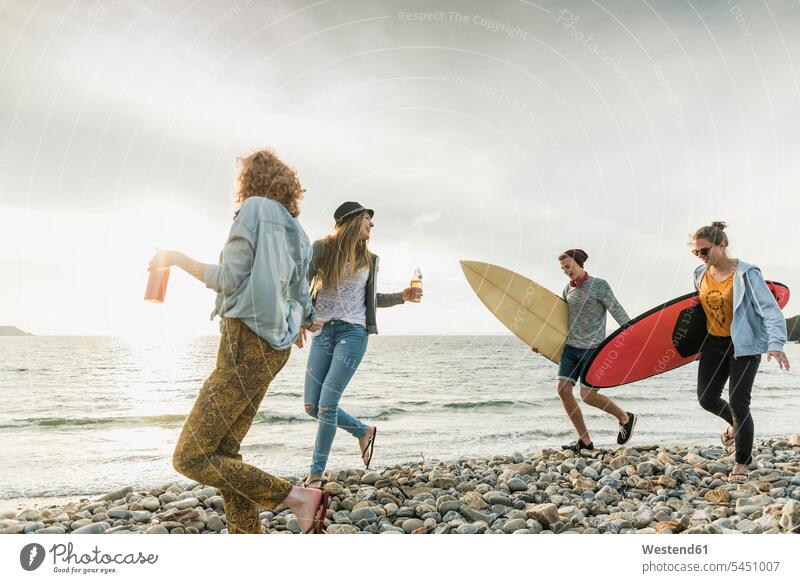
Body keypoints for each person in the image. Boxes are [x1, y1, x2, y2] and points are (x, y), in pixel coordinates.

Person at [150, 149, 328, 534]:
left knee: (191, 456)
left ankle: (297, 497)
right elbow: (301, 295)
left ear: (250, 181)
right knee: (225, 453)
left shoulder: (252, 210)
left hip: (244, 341)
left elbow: (227, 278)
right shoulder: (298, 231)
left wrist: (176, 258)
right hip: (275, 349)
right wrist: (303, 321)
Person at [299, 201, 420, 488]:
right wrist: (302, 320)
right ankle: (362, 430)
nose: (372, 224)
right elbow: (299, 285)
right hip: (323, 332)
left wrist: (401, 296)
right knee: (311, 406)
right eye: (367, 218)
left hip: (353, 334)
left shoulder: (371, 259)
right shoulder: (321, 249)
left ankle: (316, 475)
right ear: (352, 221)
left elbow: (369, 301)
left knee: (328, 405)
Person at [691, 221, 789, 483]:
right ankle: (737, 425)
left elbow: (769, 309)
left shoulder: (746, 274)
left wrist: (776, 343)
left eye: (704, 250)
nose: (700, 256)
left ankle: (743, 462)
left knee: (738, 401)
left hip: (742, 345)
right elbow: (698, 311)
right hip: (714, 343)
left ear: (722, 245)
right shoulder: (700, 273)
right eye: (696, 252)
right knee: (706, 398)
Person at [532, 249, 636, 452]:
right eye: (563, 268)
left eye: (568, 266)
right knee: (562, 390)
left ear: (579, 264)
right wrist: (542, 343)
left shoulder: (599, 285)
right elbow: (559, 322)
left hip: (594, 348)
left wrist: (633, 337)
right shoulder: (566, 289)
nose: (566, 271)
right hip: (571, 348)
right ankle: (585, 441)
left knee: (588, 395)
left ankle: (625, 417)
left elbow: (617, 310)